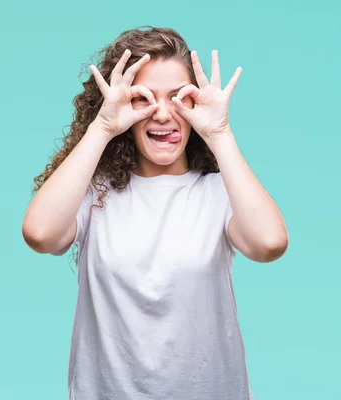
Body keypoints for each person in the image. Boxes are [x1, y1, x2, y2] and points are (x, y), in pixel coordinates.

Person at [21, 26, 288, 400]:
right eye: (144, 99)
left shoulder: (219, 191)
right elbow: (40, 234)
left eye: (180, 97)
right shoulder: (94, 192)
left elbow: (270, 244)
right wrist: (102, 126)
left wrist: (220, 133)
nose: (163, 114)